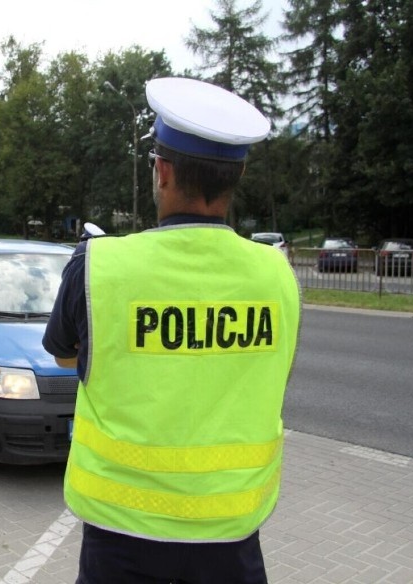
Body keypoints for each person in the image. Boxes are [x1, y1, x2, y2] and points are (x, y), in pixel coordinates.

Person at [42, 77, 301, 584]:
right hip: (231, 536)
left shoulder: (96, 266)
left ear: (161, 171)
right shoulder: (279, 274)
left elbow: (64, 357)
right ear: (237, 175)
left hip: (121, 535)